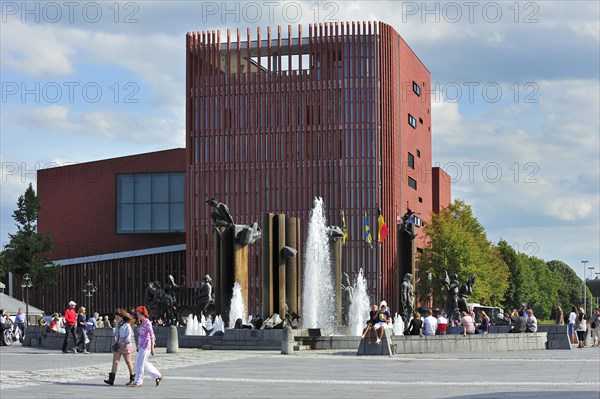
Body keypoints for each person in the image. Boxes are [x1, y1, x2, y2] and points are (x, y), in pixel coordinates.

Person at [131, 306, 163, 388]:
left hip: (146, 346)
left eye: (138, 314)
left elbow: (152, 335)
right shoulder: (141, 322)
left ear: (142, 314)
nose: (137, 316)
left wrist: (152, 348)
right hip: (141, 345)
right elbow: (139, 335)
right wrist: (138, 345)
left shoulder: (148, 323)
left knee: (140, 364)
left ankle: (139, 381)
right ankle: (158, 376)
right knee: (142, 363)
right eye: (137, 314)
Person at [104, 308, 136, 386]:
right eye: (116, 316)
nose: (117, 318)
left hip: (125, 344)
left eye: (118, 316)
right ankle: (111, 379)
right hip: (118, 344)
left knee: (128, 362)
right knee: (115, 361)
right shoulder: (118, 324)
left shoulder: (127, 325)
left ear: (122, 317)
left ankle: (132, 377)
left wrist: (126, 344)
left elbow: (128, 335)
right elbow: (116, 333)